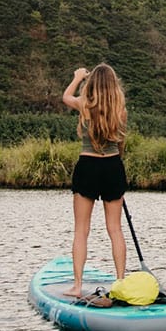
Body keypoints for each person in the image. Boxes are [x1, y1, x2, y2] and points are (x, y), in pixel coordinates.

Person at [61, 64, 129, 297]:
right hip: (112, 166)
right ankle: (120, 282)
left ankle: (77, 285)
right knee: (115, 229)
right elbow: (121, 144)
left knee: (81, 230)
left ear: (92, 85)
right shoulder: (121, 110)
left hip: (88, 166)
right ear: (113, 85)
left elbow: (66, 96)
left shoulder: (84, 105)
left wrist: (78, 77)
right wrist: (116, 165)